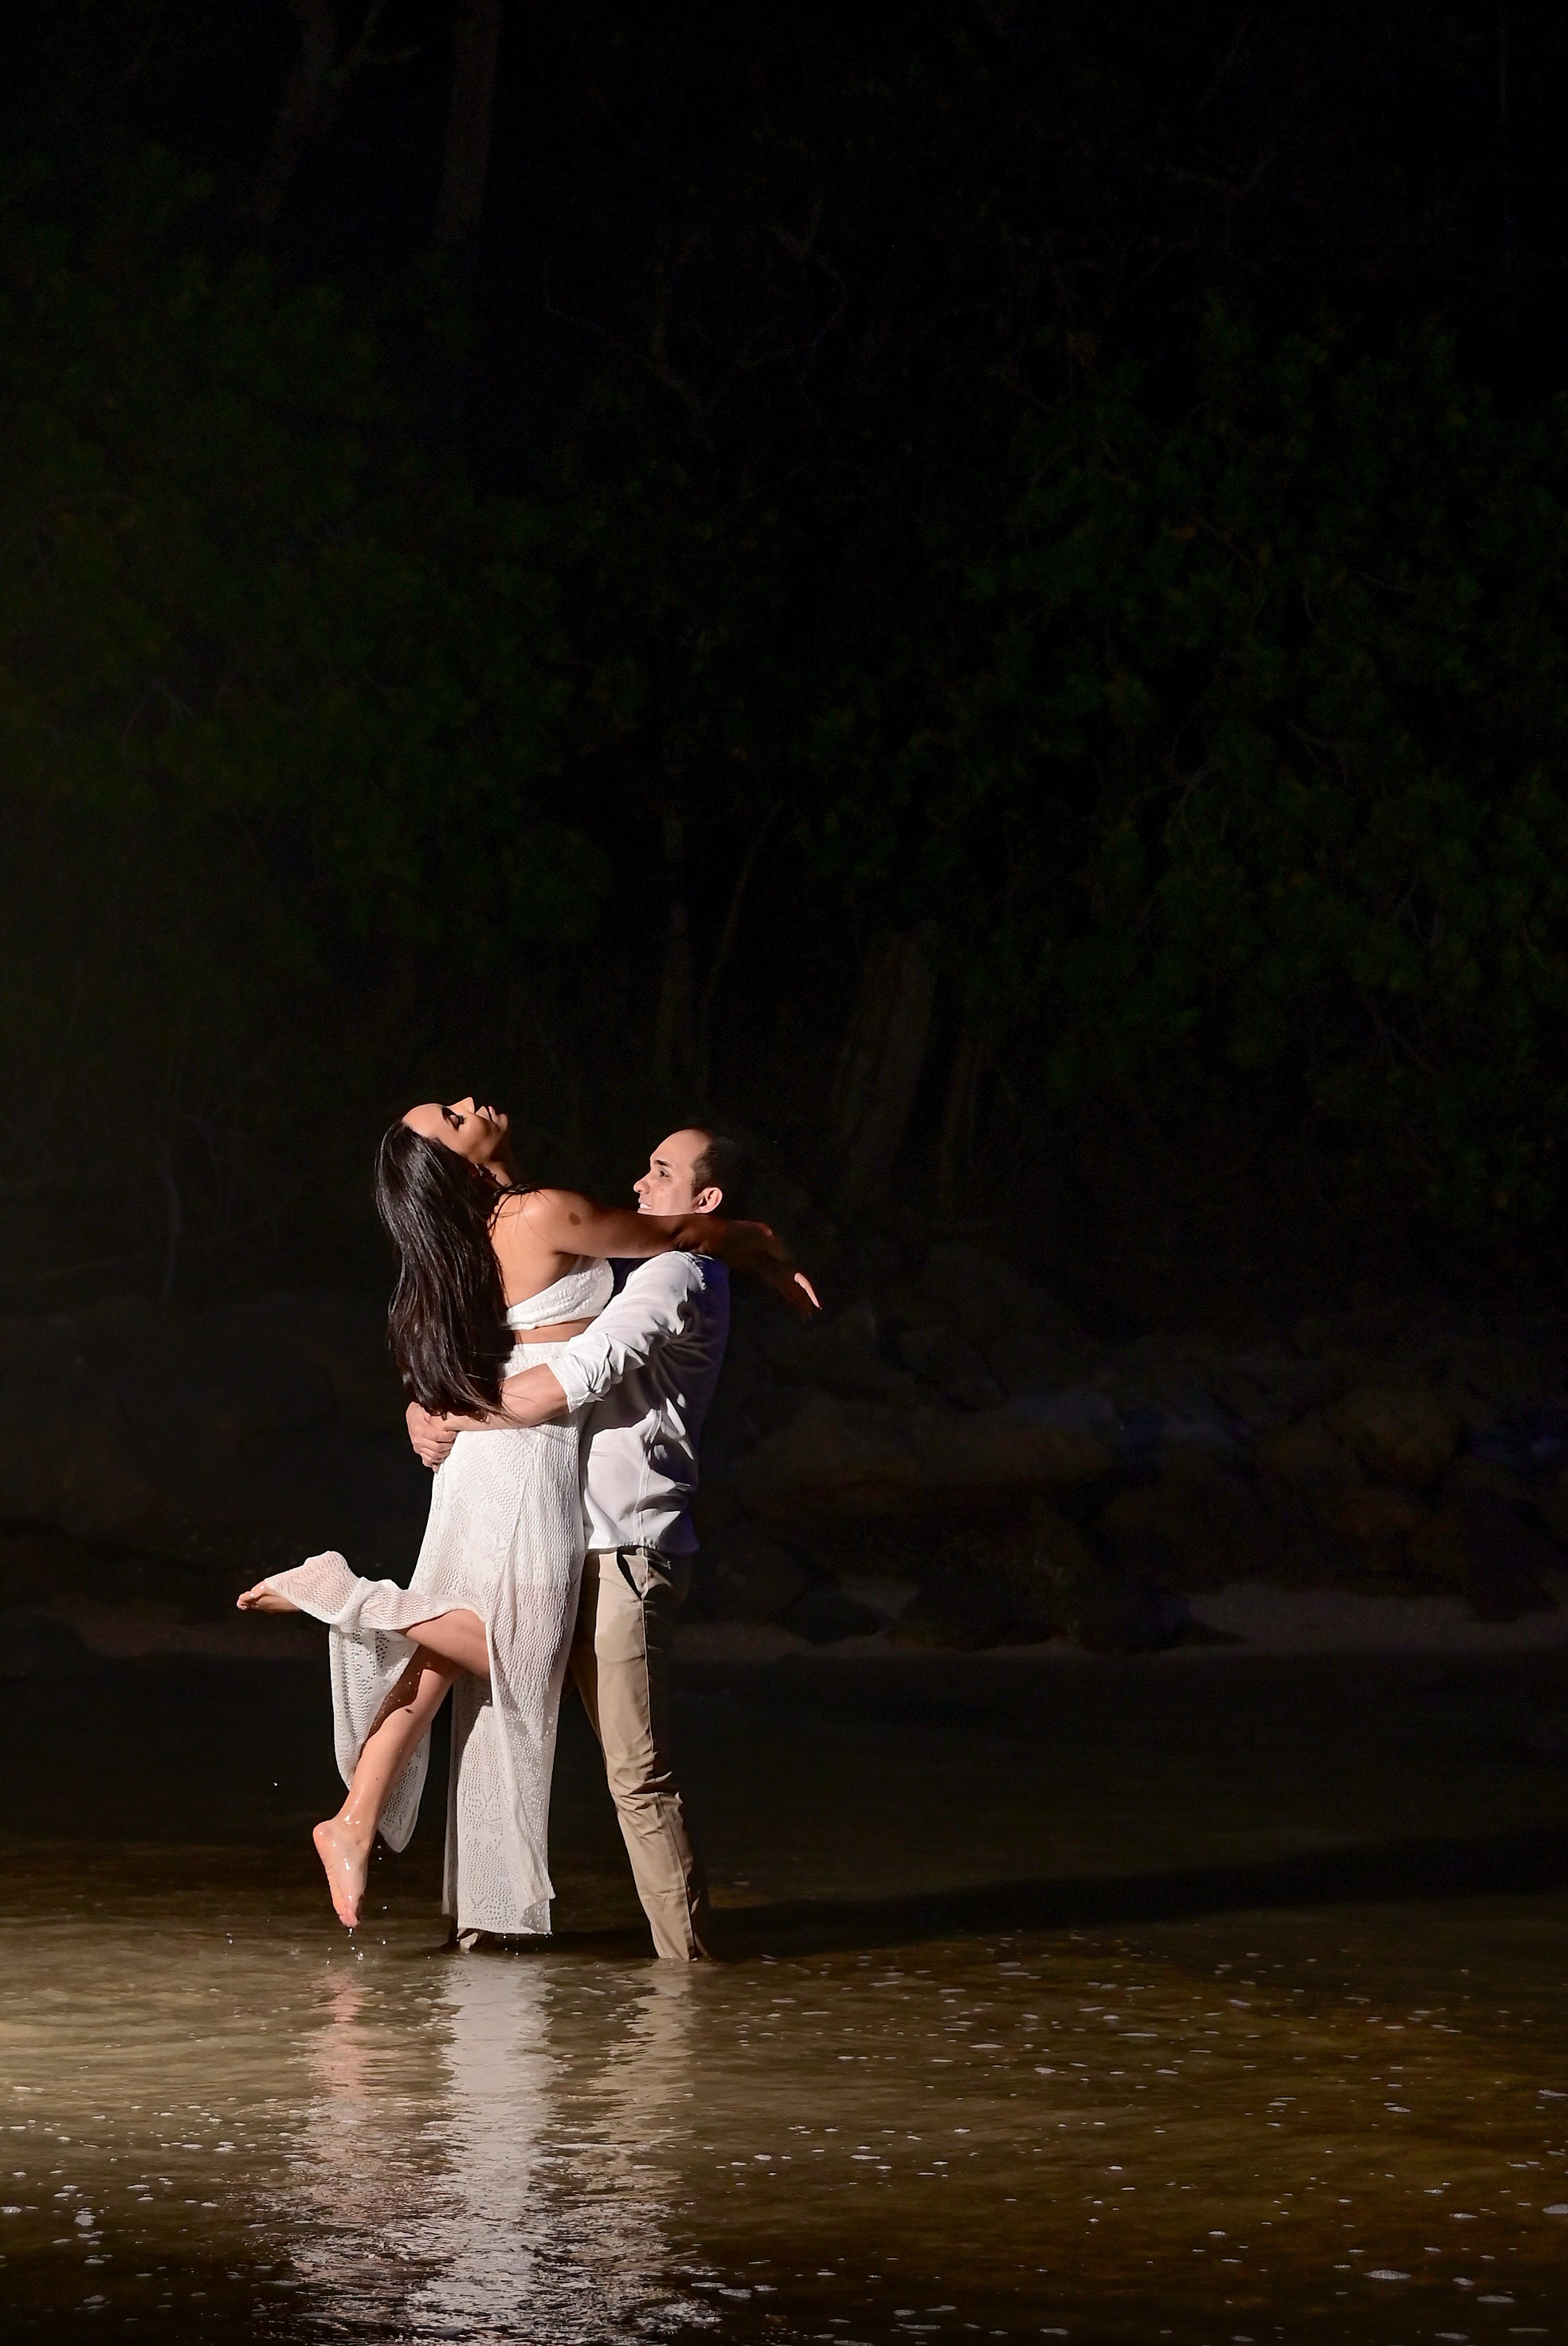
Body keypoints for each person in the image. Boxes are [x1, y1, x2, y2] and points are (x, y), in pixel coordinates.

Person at [237, 1100, 813, 1944]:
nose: (472, 1106)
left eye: (454, 1104)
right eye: (453, 1118)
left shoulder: (474, 1234)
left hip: (508, 1453)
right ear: (460, 1164)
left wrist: (429, 1410)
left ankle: (373, 1832)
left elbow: (466, 1353)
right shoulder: (542, 1212)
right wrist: (759, 1240)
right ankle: (348, 1598)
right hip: (522, 1449)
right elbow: (675, 1237)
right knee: (515, 1649)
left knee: (454, 1658)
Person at [406, 1125, 745, 1961]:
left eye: (661, 1172)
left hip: (624, 1552)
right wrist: (425, 1406)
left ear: (704, 1202)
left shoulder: (677, 1277)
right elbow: (531, 1318)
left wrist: (448, 1412)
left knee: (636, 1773)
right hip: (558, 1535)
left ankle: (692, 1979)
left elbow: (571, 1376)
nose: (638, 1180)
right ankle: (484, 1934)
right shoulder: (643, 1266)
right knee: (495, 1718)